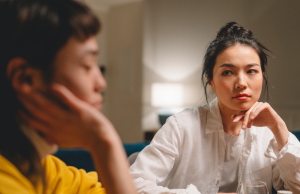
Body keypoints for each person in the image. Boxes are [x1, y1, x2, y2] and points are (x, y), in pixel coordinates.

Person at [130, 22, 300, 194]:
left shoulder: (269, 134)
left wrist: (279, 128)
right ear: (211, 81)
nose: (241, 83)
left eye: (251, 71)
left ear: (262, 76)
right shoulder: (181, 126)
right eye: (228, 72)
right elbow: (133, 185)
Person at [0, 0, 137, 194]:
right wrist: (102, 141)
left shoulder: (43, 168)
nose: (101, 84)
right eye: (87, 66)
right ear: (26, 79)